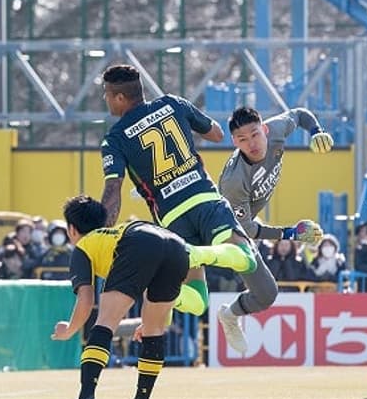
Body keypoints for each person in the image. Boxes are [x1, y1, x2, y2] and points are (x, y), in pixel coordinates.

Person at [51, 195, 256, 399]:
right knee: (154, 330)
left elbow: (86, 301)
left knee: (104, 323)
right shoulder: (112, 234)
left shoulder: (84, 246)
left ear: (71, 230)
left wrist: (69, 329)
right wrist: (150, 320)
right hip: (175, 245)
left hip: (138, 242)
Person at [97, 64, 260, 351]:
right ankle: (194, 255)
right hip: (204, 200)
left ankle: (170, 277)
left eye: (107, 95)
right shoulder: (172, 103)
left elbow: (113, 191)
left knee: (197, 301)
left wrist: (100, 232)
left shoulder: (115, 139)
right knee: (245, 257)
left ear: (120, 98)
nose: (105, 100)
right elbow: (217, 134)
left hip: (171, 220)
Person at [218, 106, 330, 322]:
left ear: (265, 130)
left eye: (255, 134)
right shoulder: (235, 181)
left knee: (267, 294)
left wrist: (316, 131)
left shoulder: (276, 128)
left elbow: (299, 114)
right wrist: (290, 233)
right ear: (234, 142)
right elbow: (247, 229)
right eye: (242, 139)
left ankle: (228, 315)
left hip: (240, 226)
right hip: (223, 232)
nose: (251, 143)